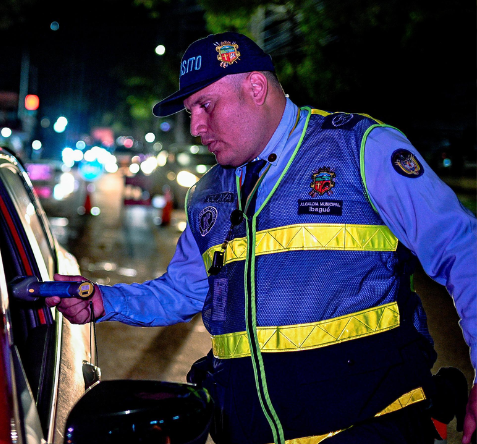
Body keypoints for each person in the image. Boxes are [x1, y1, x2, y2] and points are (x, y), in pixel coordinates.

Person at [46, 32, 476, 444]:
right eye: (190, 111)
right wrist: (105, 301)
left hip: (369, 427)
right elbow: (184, 291)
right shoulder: (207, 194)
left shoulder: (360, 149)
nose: (195, 126)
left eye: (206, 106)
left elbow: (463, 252)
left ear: (255, 87)